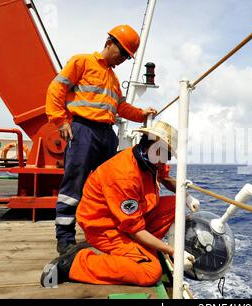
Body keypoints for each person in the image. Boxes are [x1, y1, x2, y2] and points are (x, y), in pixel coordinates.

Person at [41, 121, 200, 287]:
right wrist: (173, 251)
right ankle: (75, 264)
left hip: (126, 219)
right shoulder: (124, 175)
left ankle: (137, 250)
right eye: (167, 154)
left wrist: (187, 197)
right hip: (104, 228)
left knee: (177, 205)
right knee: (151, 272)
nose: (166, 160)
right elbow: (134, 230)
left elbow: (164, 177)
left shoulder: (150, 159)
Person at [45, 24, 158, 255]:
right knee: (73, 184)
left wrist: (141, 114)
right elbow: (56, 89)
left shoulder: (114, 80)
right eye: (123, 53)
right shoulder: (81, 62)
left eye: (128, 56)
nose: (125, 59)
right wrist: (61, 120)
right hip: (83, 131)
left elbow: (120, 107)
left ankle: (108, 232)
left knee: (111, 185)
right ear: (109, 43)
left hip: (107, 135)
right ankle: (65, 239)